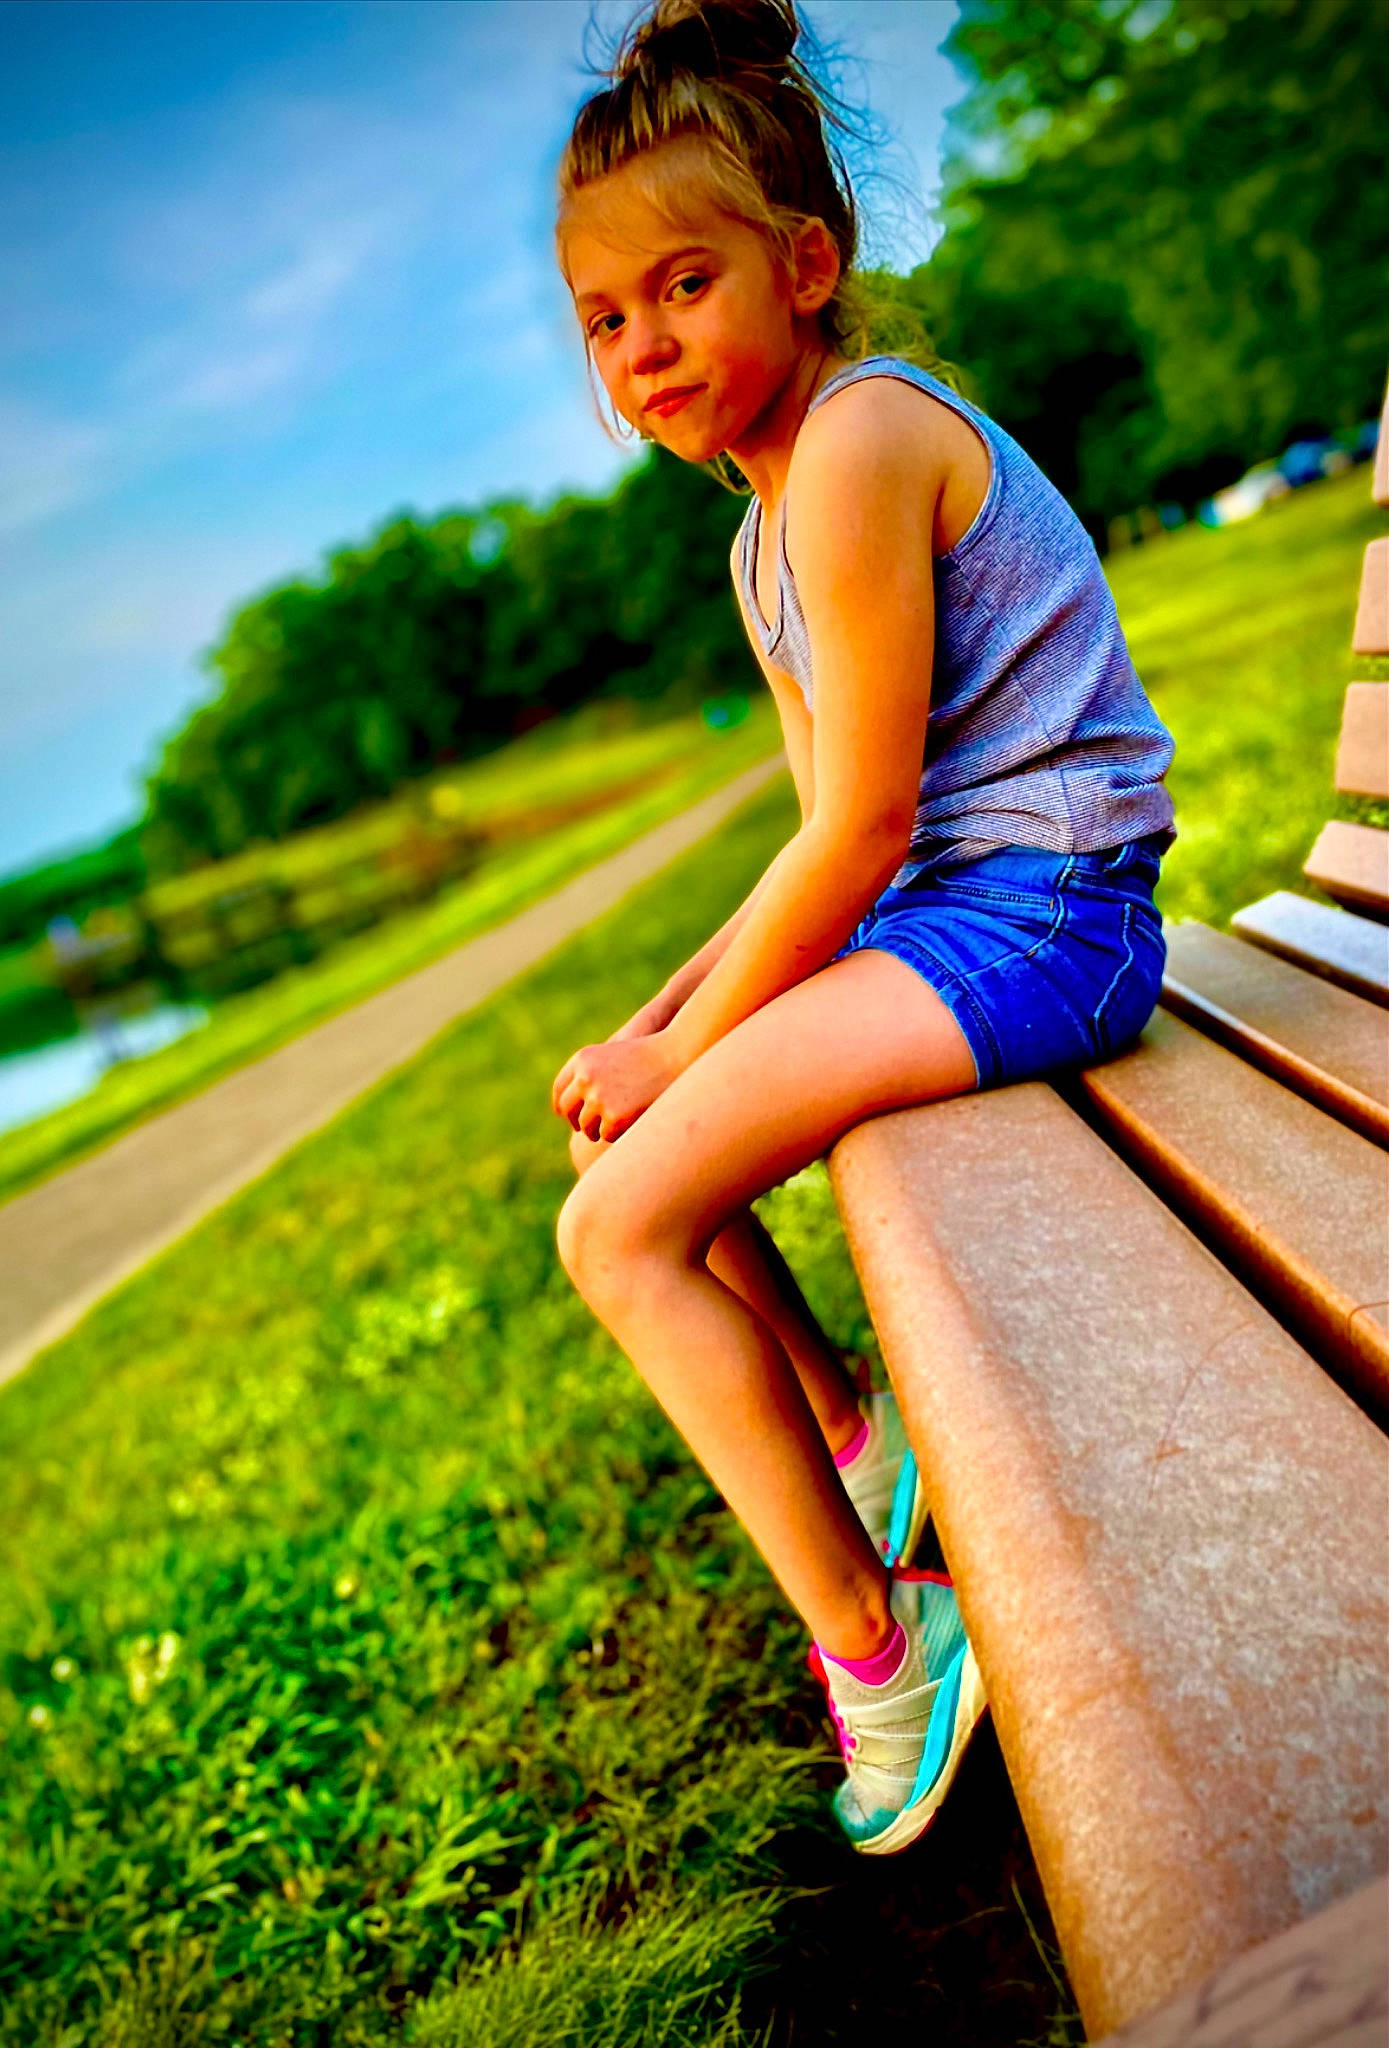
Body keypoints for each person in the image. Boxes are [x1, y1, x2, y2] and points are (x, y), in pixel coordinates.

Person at [548, 0, 1175, 1856]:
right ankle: (853, 1435)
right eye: (605, 319)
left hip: (1046, 917)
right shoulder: (759, 538)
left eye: (681, 285)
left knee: (618, 1231)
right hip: (963, 917)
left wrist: (687, 1047)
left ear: (804, 265)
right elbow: (825, 834)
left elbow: (875, 827)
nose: (645, 345)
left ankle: (880, 1645)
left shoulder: (857, 443)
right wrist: (661, 1025)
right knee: (635, 1130)